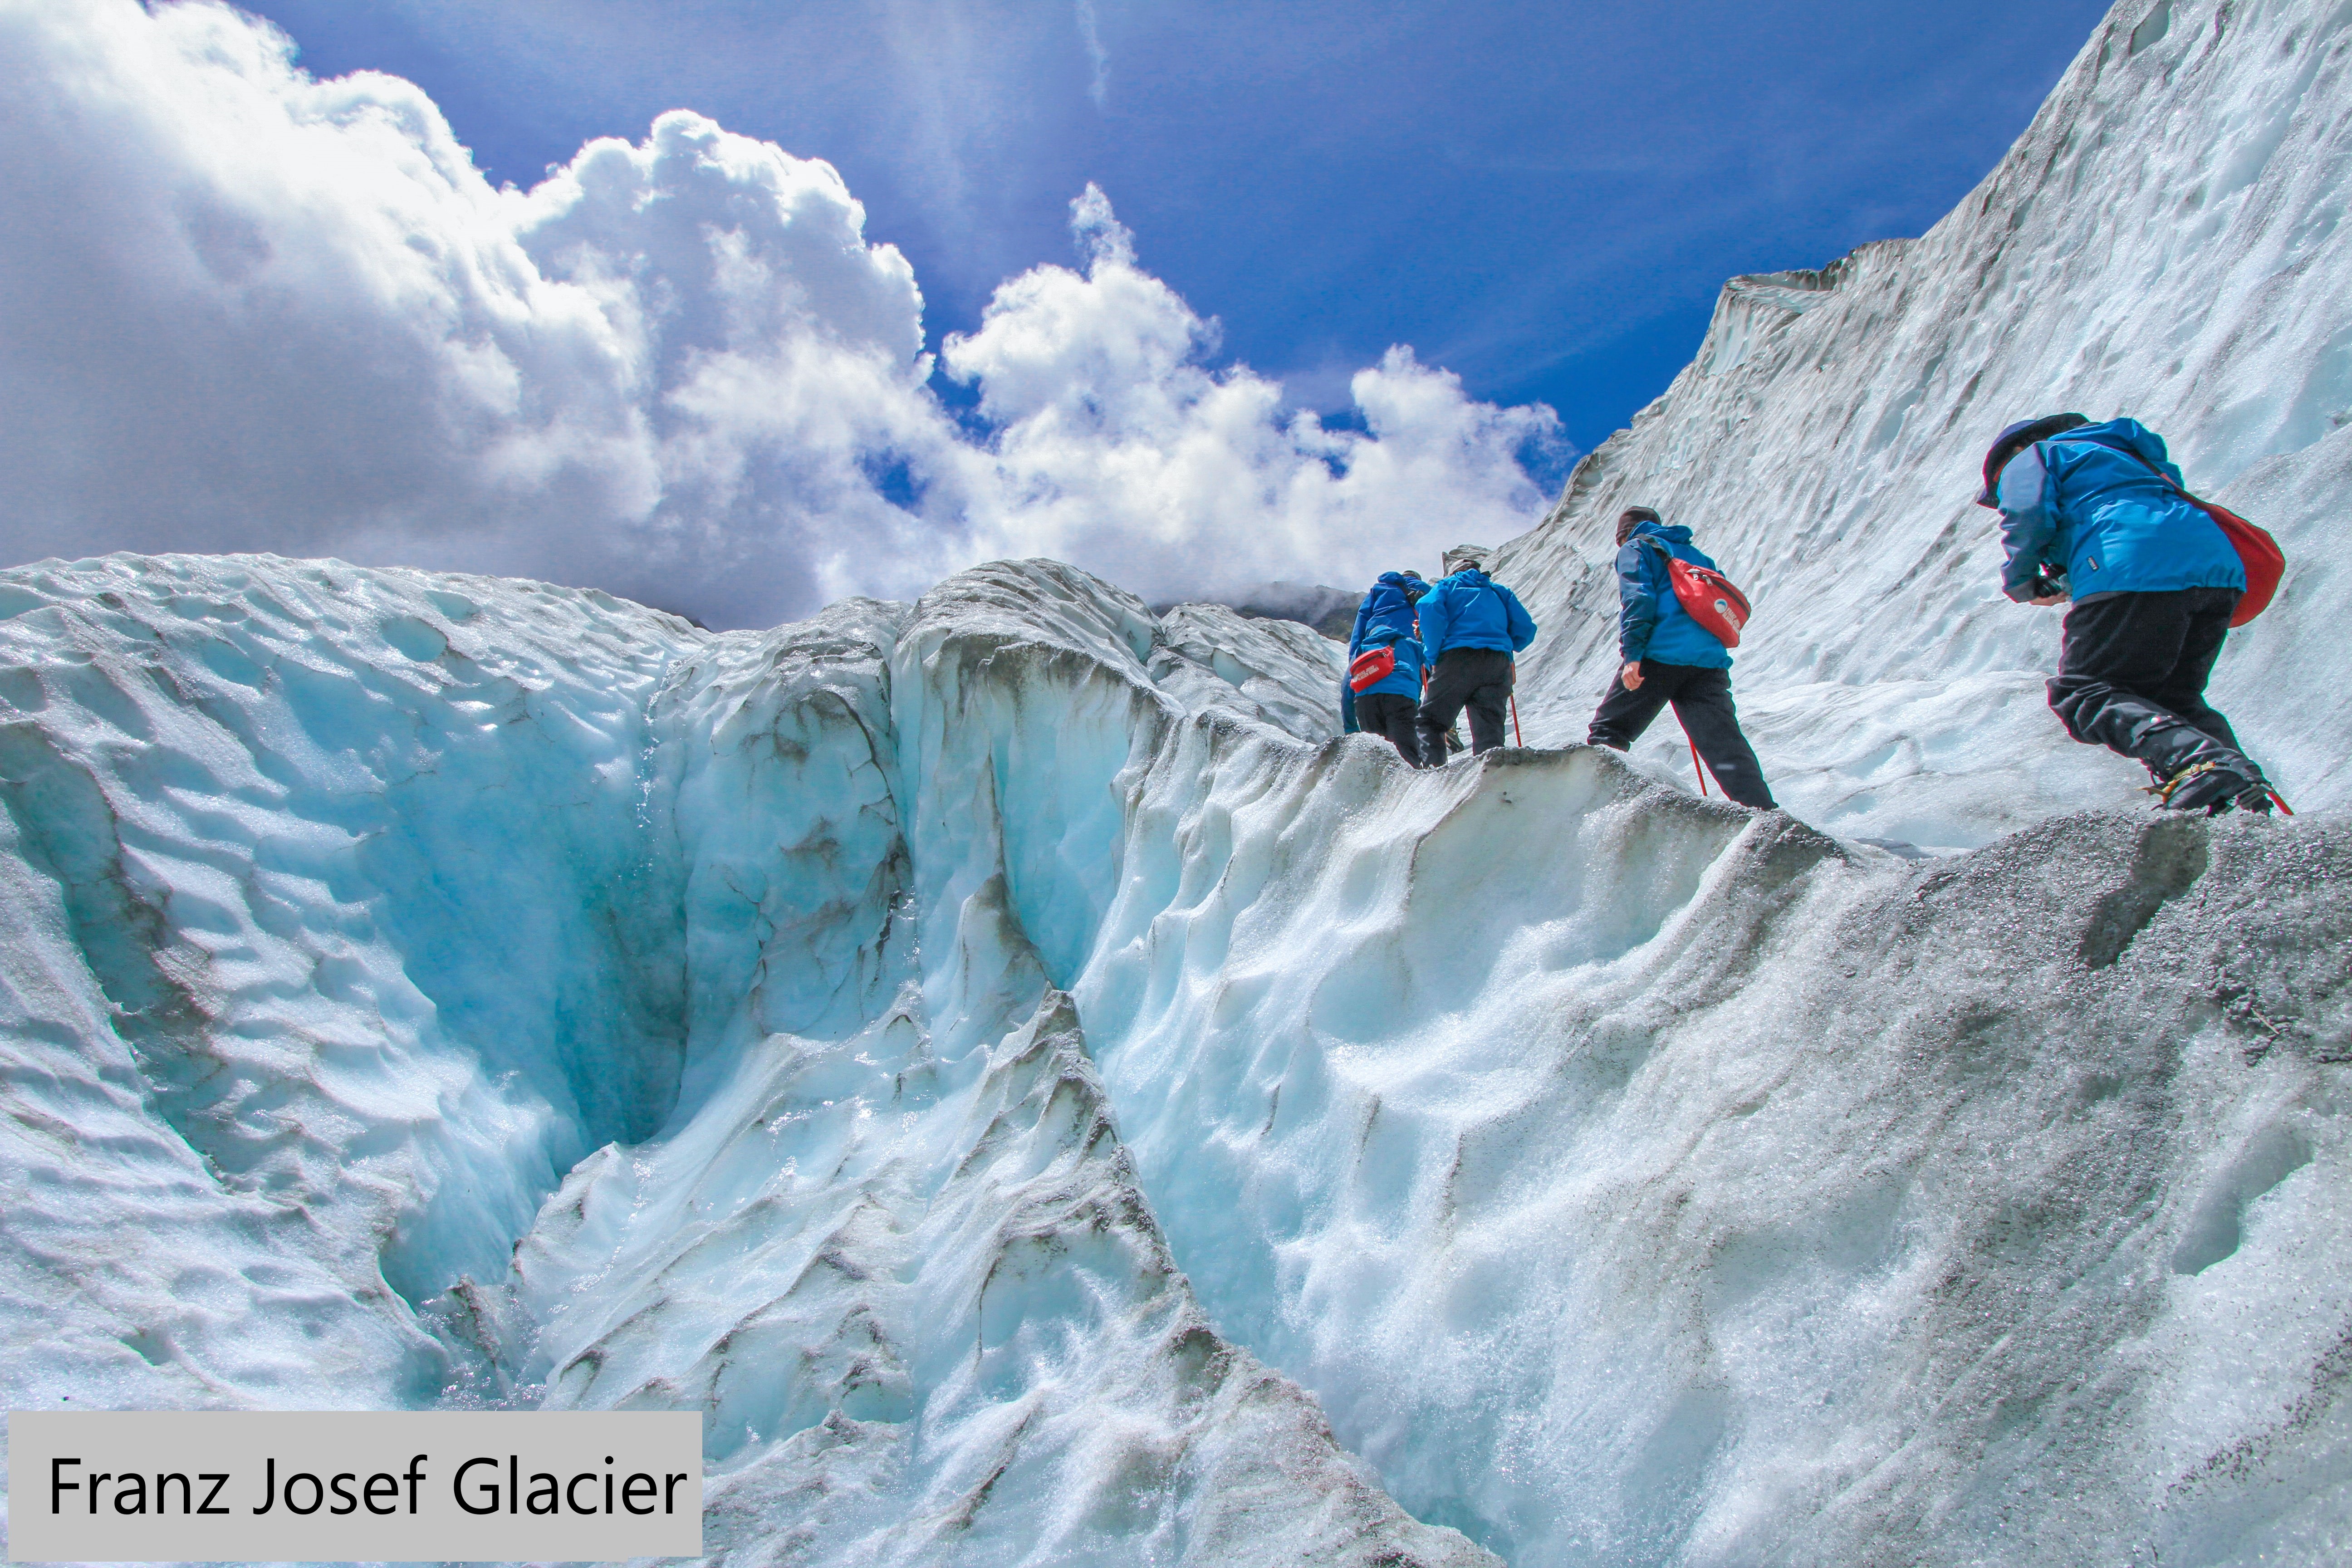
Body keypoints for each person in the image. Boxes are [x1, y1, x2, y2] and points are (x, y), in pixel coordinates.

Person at [1980, 412, 2272, 814]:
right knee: (2171, 697)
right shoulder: (2127, 455)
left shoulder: (2036, 455)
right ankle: (2239, 792)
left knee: (2083, 692)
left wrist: (2022, 581)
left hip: (2131, 563)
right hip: (2215, 570)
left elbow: (2028, 514)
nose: (2002, 495)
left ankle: (2200, 767)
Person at [1586, 507, 1776, 809]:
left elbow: (1638, 598)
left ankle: (1592, 807)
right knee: (1724, 746)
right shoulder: (1696, 555)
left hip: (1660, 656)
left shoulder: (1636, 548)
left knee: (1609, 733)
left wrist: (1633, 655)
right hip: (1709, 663)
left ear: (1622, 535)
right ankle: (1764, 814)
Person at [1415, 553, 1536, 761]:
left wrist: (1433, 654)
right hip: (1498, 663)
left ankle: (1434, 776)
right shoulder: (1499, 592)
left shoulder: (1446, 587)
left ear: (1453, 573)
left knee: (1431, 722)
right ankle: (1490, 782)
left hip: (1457, 658)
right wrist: (1509, 645)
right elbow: (1526, 628)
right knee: (1490, 732)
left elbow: (1429, 607)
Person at [1345, 570, 1429, 764]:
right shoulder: (1423, 590)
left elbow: (1360, 626)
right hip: (1404, 691)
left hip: (1367, 691)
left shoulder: (1378, 591)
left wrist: (1350, 726)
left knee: (1376, 757)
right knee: (1406, 752)